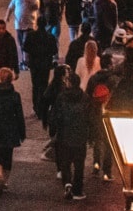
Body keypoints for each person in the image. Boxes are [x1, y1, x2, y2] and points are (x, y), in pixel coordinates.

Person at [47, 70, 93, 201]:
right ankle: (78, 190)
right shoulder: (85, 98)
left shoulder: (61, 97)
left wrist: (53, 130)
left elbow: (55, 115)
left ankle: (67, 183)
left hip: (64, 134)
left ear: (69, 83)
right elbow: (90, 117)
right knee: (79, 164)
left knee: (65, 162)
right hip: (80, 134)